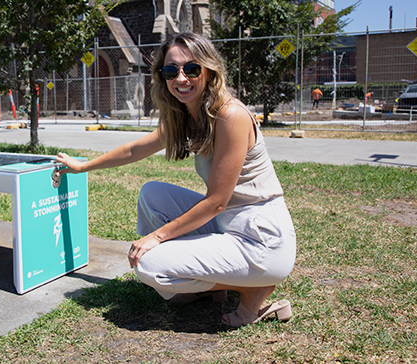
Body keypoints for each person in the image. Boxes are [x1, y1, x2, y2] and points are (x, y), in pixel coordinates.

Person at [55, 32, 296, 328]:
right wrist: (83, 166)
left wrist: (156, 237)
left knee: (148, 264)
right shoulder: (189, 115)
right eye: (171, 71)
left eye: (191, 69)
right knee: (152, 194)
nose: (181, 78)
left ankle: (252, 287)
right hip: (230, 226)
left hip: (262, 240)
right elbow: (135, 148)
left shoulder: (231, 115)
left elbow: (217, 202)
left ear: (209, 70)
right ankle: (212, 288)